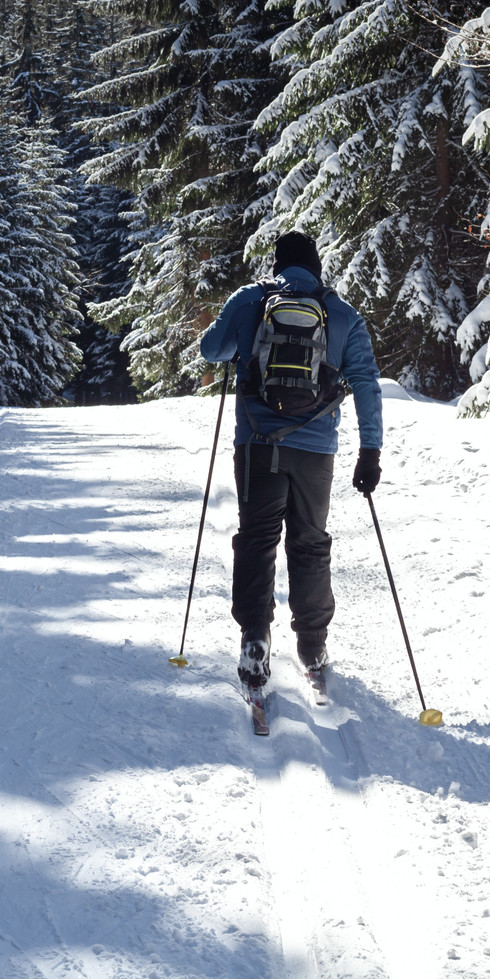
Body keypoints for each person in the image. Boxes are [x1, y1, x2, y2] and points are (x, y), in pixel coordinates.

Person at [198, 230, 383, 690]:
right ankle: (312, 644)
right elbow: (366, 383)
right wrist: (370, 451)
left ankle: (255, 639)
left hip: (257, 445)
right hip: (316, 453)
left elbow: (210, 350)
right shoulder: (342, 315)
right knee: (309, 543)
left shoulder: (250, 300)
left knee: (258, 539)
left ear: (278, 265)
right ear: (316, 266)